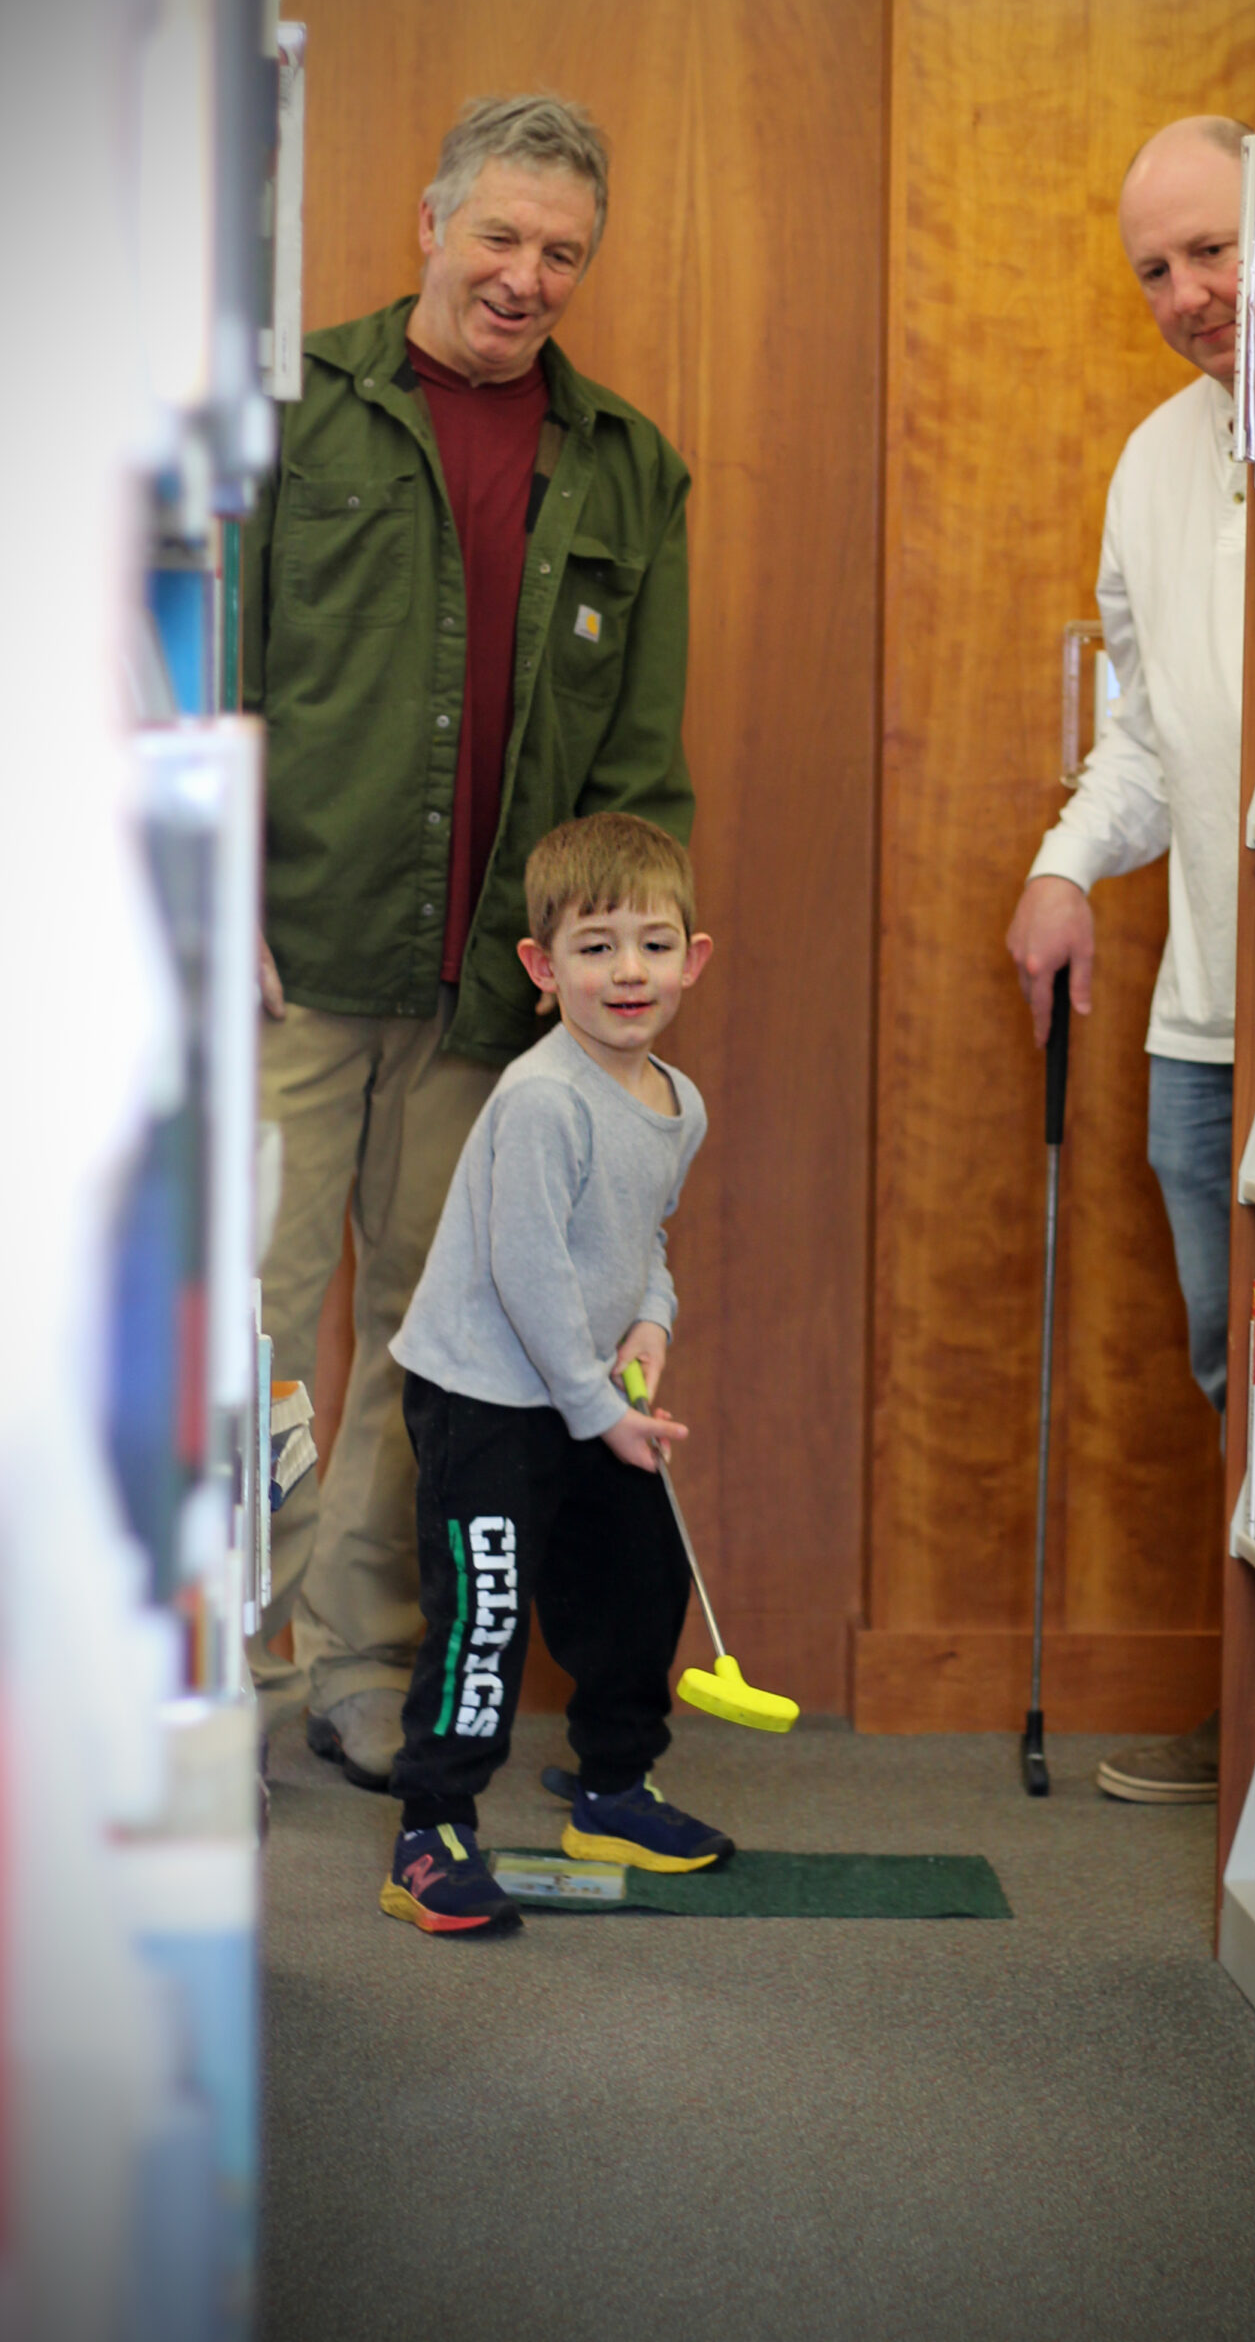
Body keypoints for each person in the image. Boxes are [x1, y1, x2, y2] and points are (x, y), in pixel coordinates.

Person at [244, 94, 694, 1790]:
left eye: (561, 251)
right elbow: (209, 659)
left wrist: (621, 990)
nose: (524, 277)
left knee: (422, 1362)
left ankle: (361, 1671)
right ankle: (216, 1674)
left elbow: (640, 765)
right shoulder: (288, 406)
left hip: (488, 1011)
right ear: (429, 222)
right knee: (254, 1339)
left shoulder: (629, 467)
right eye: (497, 236)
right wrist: (207, 890)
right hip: (288, 965)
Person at [1004, 114, 1248, 1808]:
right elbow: (1147, 745)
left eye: (1214, 249)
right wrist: (1061, 868)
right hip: (1200, 1030)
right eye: (1155, 269)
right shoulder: (1156, 456)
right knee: (1245, 1383)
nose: (1187, 293)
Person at [380, 811, 720, 1936]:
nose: (629, 971)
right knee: (484, 1616)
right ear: (541, 966)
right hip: (487, 1391)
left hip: (586, 1385)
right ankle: (432, 1827)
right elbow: (527, 1272)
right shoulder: (541, 1098)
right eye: (595, 945)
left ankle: (614, 1793)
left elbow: (643, 1242)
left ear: (693, 959)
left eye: (654, 944)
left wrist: (652, 1331)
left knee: (638, 1583)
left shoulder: (679, 1101)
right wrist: (594, 1406)